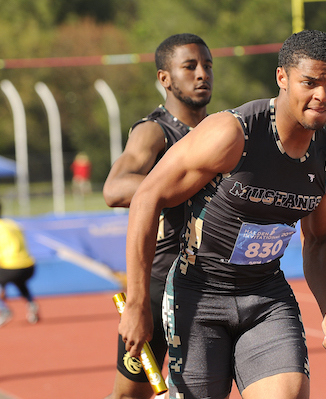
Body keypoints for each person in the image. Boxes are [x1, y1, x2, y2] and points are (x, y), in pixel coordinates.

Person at [118, 30, 326, 399]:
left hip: (266, 296)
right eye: (310, 82)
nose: (323, 96)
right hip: (198, 294)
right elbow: (147, 195)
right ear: (282, 78)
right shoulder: (232, 134)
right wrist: (135, 304)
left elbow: (321, 239)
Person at [102, 33, 213, 399]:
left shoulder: (221, 131)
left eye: (207, 66)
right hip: (158, 286)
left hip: (210, 286)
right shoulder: (155, 131)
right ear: (165, 78)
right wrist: (183, 184)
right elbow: (115, 189)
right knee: (128, 397)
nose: (202, 74)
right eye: (190, 66)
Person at [0, 197, 39, 328]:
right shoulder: (12, 223)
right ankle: (32, 304)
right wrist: (2, 285)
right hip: (29, 266)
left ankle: (3, 310)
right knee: (19, 279)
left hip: (11, 268)